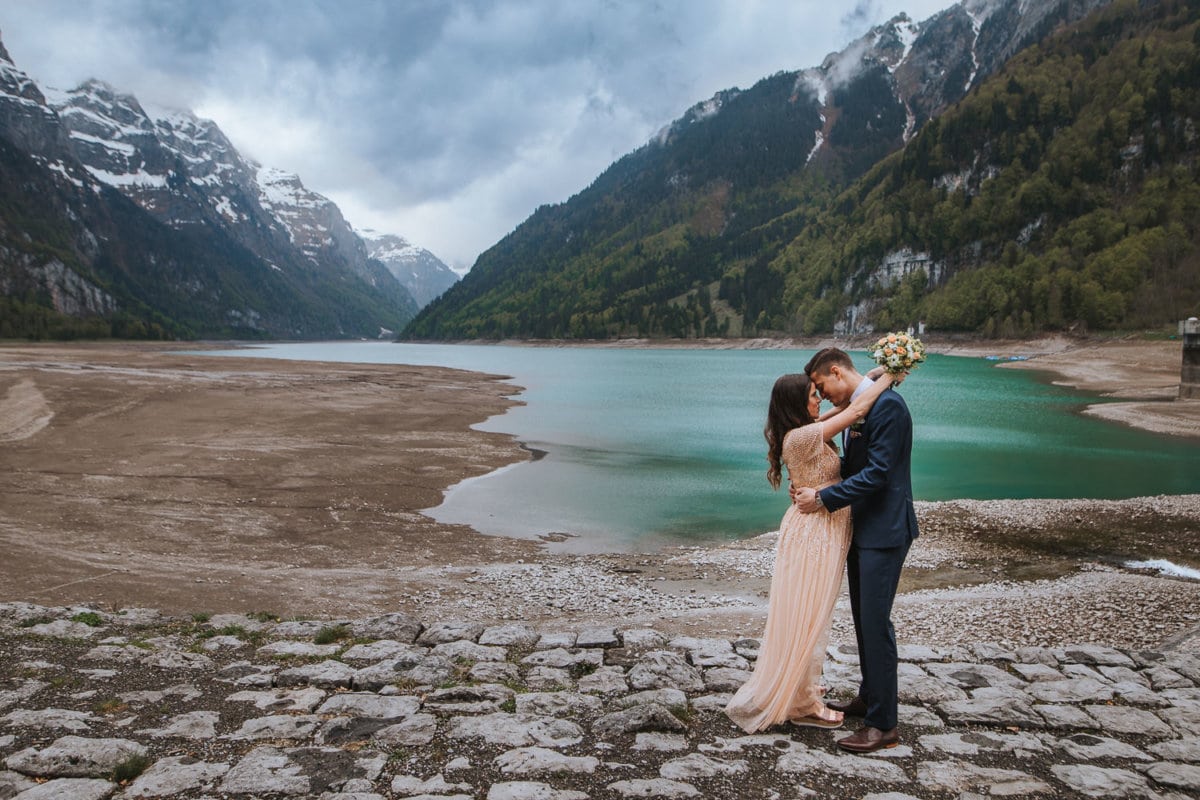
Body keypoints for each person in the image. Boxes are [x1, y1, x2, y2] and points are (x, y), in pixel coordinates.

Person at [725, 368, 899, 734]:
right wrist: (891, 377)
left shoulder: (809, 428)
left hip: (823, 528)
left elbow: (846, 408)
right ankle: (801, 703)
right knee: (807, 615)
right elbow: (854, 411)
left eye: (819, 392)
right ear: (795, 404)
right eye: (812, 394)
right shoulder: (802, 437)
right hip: (813, 533)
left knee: (810, 613)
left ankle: (800, 688)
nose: (819, 398)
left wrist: (865, 377)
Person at [792, 347, 918, 754]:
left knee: (876, 624)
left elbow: (879, 474)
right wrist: (819, 485)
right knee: (865, 620)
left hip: (885, 531)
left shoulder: (889, 408)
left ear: (836, 371)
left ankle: (884, 726)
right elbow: (854, 467)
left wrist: (824, 499)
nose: (822, 394)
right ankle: (870, 698)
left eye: (821, 385)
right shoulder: (862, 406)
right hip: (863, 530)